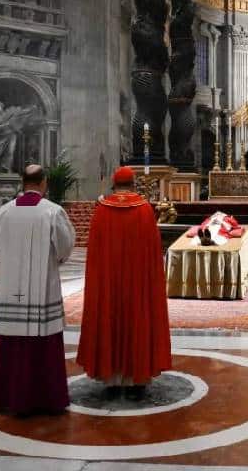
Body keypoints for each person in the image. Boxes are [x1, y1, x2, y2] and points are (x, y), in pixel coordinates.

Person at [77, 166, 171, 399]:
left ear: (114, 183)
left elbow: (95, 255)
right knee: (137, 319)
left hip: (108, 283)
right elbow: (153, 254)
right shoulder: (144, 210)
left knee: (111, 318)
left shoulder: (102, 210)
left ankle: (112, 379)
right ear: (133, 183)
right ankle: (137, 378)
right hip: (138, 282)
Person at [0, 164, 75, 416]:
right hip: (43, 288)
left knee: (12, 340)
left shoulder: (4, 212)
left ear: (22, 182)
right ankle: (46, 398)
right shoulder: (52, 212)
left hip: (10, 287)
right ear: (43, 182)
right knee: (43, 341)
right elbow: (65, 247)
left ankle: (9, 397)